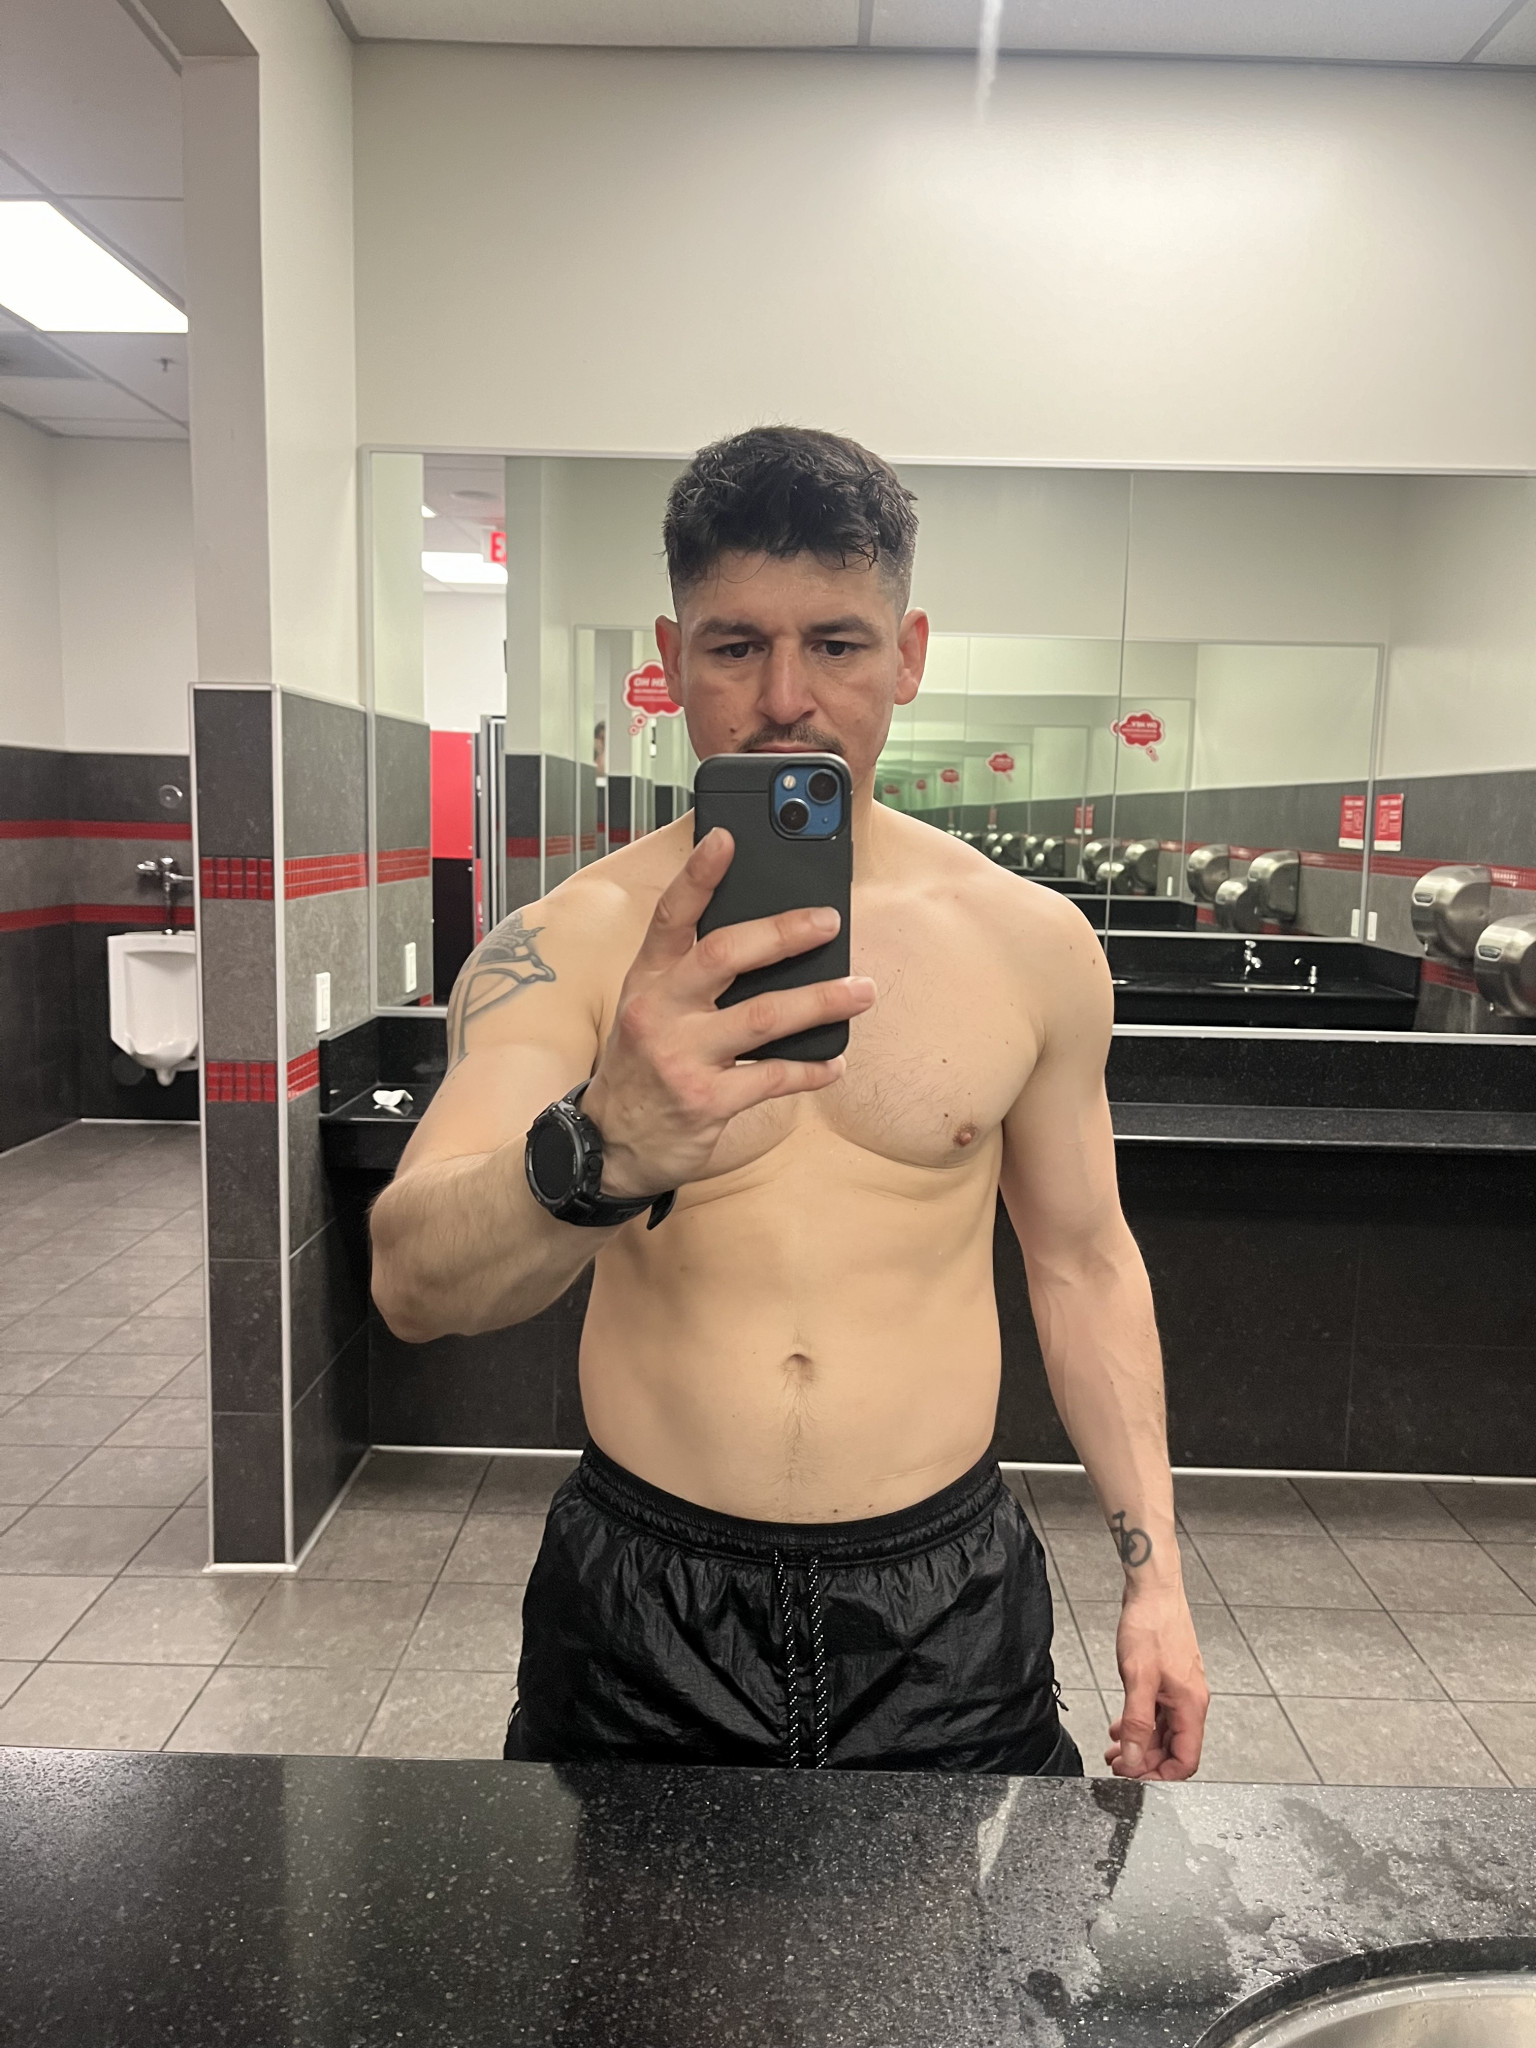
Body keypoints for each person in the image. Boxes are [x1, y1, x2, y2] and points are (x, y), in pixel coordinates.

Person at [369, 427, 1209, 1780]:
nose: (784, 699)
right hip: (648, 1595)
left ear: (908, 654)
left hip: (941, 1600)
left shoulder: (1030, 943)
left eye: (837, 643)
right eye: (735, 645)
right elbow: (413, 1281)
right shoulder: (568, 944)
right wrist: (603, 1144)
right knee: (620, 1933)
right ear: (670, 657)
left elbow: (1082, 1264)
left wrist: (1156, 1578)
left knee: (959, 1933)